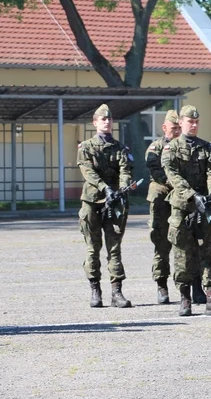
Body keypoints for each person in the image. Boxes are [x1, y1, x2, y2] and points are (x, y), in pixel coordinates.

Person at [161, 105, 211, 317]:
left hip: (205, 207)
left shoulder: (207, 148)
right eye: (189, 121)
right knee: (182, 254)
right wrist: (192, 195)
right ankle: (185, 298)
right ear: (181, 123)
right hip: (183, 207)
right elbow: (173, 175)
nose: (193, 125)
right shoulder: (170, 148)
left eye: (196, 122)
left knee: (209, 253)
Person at [77, 104, 133, 308]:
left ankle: (116, 292)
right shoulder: (86, 147)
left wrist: (123, 188)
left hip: (114, 202)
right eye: (103, 119)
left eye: (109, 119)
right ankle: (95, 290)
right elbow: (88, 172)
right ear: (95, 123)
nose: (107, 122)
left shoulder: (120, 148)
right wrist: (104, 188)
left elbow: (126, 170)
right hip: (93, 201)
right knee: (93, 248)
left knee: (114, 247)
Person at [146, 109, 180, 304]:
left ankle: (191, 284)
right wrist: (176, 184)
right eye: (173, 128)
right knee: (161, 243)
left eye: (178, 128)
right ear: (164, 127)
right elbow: (155, 170)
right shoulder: (155, 147)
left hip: (181, 197)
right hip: (162, 198)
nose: (176, 132)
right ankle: (161, 284)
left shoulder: (183, 146)